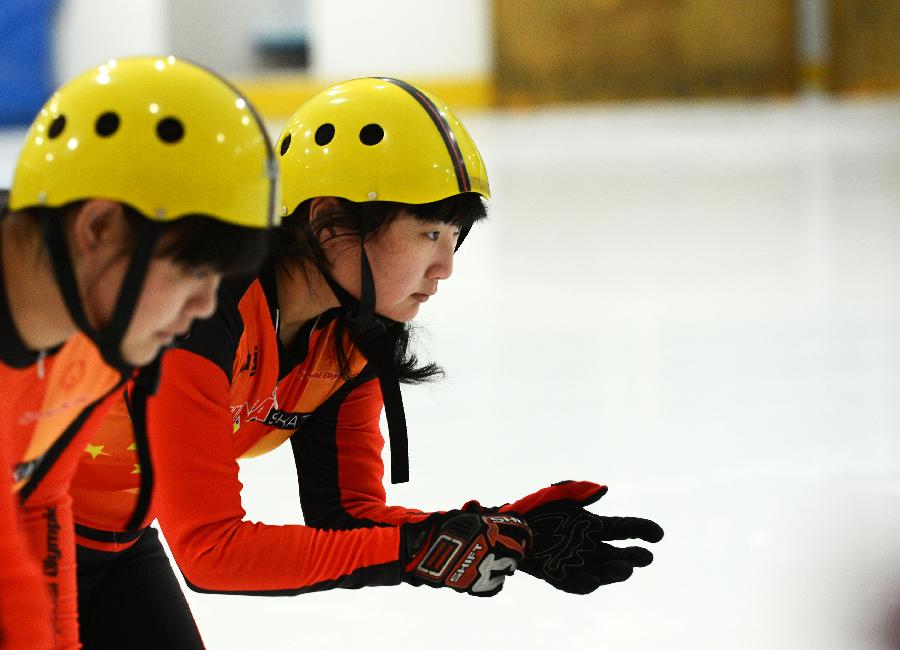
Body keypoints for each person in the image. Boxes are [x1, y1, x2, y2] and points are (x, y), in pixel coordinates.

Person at [71, 77, 663, 648]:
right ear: (330, 220)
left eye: (456, 235)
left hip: (115, 549)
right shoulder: (205, 309)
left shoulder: (352, 340)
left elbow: (347, 517)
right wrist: (419, 553)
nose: (447, 266)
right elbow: (212, 552)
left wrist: (507, 533)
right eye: (430, 231)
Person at [0, 56, 277, 648]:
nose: (208, 306)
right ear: (97, 228)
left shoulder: (100, 338)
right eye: (196, 270)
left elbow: (36, 505)